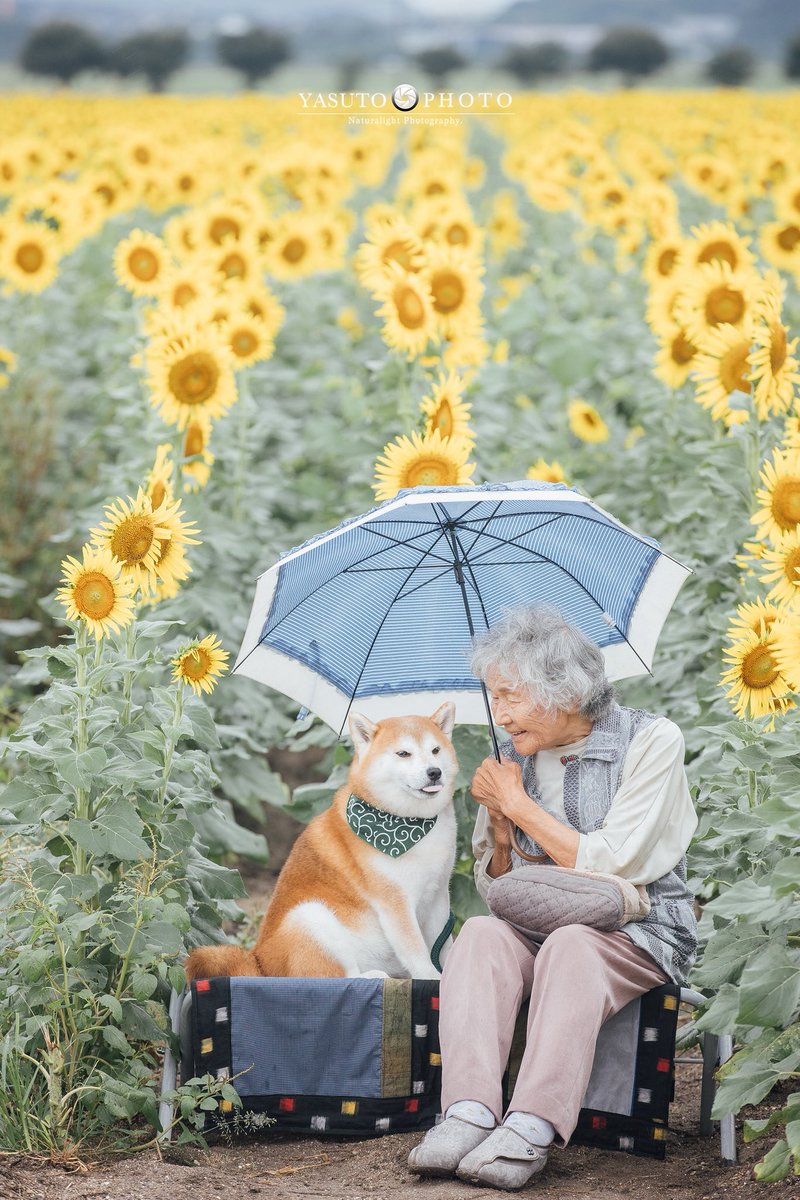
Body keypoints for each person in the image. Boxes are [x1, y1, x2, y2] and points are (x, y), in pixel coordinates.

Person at [408, 604, 698, 1191]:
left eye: (511, 695)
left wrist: (519, 807)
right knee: (482, 934)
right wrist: (496, 835)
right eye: (494, 696)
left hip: (636, 929)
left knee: (571, 944)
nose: (500, 712)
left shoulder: (651, 741)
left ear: (562, 689)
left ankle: (533, 1126)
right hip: (536, 926)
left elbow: (618, 862)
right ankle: (467, 1112)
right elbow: (501, 893)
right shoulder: (510, 761)